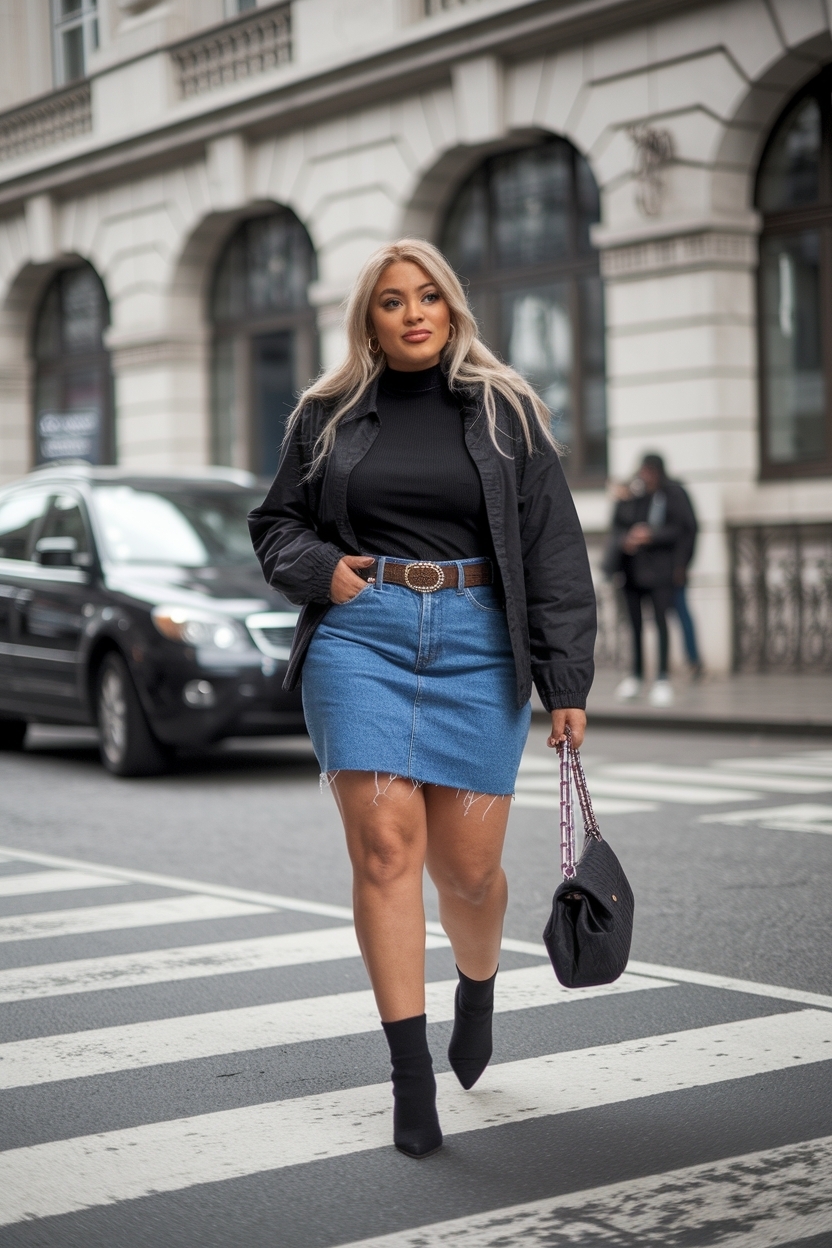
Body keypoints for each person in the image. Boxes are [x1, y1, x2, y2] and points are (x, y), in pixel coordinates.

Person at [249, 239, 596, 1159]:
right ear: (369, 318)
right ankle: (411, 1079)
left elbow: (554, 549)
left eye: (429, 296)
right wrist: (322, 570)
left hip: (479, 639)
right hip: (361, 635)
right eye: (393, 300)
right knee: (384, 850)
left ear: (451, 309)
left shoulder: (506, 410)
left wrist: (566, 680)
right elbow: (275, 523)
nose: (414, 313)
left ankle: (476, 988)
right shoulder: (326, 414)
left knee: (469, 873)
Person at [605, 453, 697, 706]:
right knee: (634, 625)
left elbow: (684, 529)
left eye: (650, 472)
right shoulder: (633, 495)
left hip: (661, 573)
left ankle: (662, 678)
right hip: (632, 572)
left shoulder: (673, 494)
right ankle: (635, 676)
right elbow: (618, 527)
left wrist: (653, 537)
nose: (646, 477)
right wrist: (627, 533)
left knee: (661, 622)